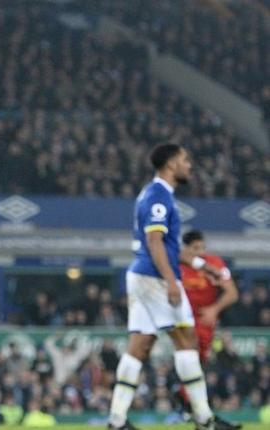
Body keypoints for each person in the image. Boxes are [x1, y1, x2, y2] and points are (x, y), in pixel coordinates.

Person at [107, 144, 234, 430]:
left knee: (139, 346)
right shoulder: (158, 196)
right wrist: (171, 281)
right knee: (187, 340)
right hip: (154, 278)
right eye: (185, 160)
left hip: (141, 276)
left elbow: (170, 246)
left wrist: (203, 266)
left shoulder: (153, 194)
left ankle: (116, 420)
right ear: (171, 164)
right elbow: (155, 243)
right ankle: (204, 419)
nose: (189, 165)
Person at [178, 230, 240, 427]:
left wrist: (214, 309)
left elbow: (232, 293)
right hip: (184, 320)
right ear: (186, 249)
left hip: (206, 322)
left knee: (199, 365)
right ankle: (198, 412)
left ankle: (190, 405)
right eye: (195, 248)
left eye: (202, 248)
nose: (200, 252)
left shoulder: (214, 263)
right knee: (191, 360)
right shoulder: (177, 264)